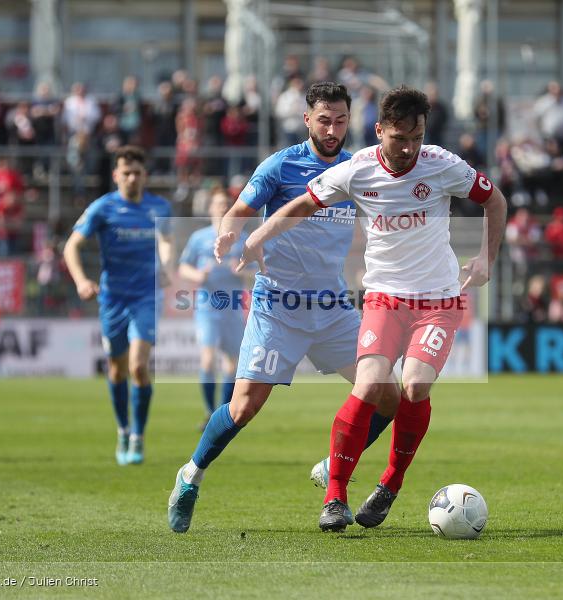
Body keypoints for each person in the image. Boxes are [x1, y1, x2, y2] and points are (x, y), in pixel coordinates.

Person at [236, 86, 507, 532]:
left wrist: (486, 259)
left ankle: (390, 484)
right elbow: (303, 204)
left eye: (417, 137)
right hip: (384, 297)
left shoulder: (442, 165)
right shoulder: (357, 169)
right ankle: (335, 498)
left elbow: (494, 199)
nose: (409, 148)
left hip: (438, 300)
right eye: (400, 138)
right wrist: (257, 237)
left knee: (414, 386)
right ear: (379, 130)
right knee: (369, 385)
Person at [167, 82, 400, 534]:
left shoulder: (356, 168)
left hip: (332, 307)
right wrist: (230, 232)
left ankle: (335, 464)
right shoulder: (280, 165)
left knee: (388, 395)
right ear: (307, 119)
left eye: (340, 121)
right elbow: (239, 209)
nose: (332, 130)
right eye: (324, 120)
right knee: (243, 408)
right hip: (278, 305)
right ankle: (190, 475)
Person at [63, 146, 176, 466]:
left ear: (145, 175)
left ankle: (138, 436)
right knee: (116, 368)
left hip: (146, 296)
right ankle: (123, 429)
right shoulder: (103, 208)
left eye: (137, 173)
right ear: (116, 175)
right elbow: (71, 246)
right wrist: (81, 281)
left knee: (138, 366)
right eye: (126, 173)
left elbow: (167, 240)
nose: (132, 178)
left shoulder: (160, 207)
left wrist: (167, 265)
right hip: (112, 297)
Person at [178, 191, 247, 429]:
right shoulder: (199, 238)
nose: (222, 208)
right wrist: (198, 275)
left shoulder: (242, 238)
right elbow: (183, 267)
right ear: (210, 208)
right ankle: (209, 412)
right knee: (207, 361)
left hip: (233, 308)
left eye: (226, 204)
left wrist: (243, 270)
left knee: (232, 365)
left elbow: (259, 270)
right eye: (218, 204)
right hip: (208, 308)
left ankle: (222, 414)